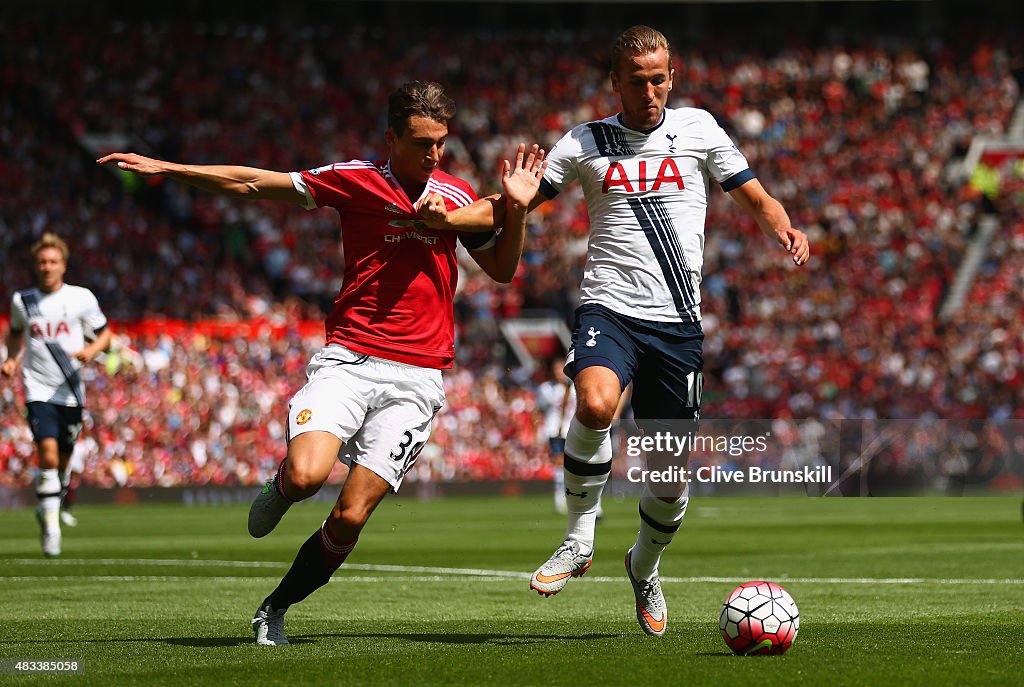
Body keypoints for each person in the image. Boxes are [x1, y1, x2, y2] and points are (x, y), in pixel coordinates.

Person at [98, 80, 546, 646]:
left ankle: (274, 608)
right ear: (391, 138)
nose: (433, 154)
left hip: (418, 378)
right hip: (351, 360)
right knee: (309, 476)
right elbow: (254, 182)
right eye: (420, 142)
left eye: (440, 142)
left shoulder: (457, 197)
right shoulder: (356, 180)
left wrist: (518, 210)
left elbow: (503, 269)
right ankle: (282, 487)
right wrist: (169, 168)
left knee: (351, 516)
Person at [423, 27, 809, 636]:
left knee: (668, 477)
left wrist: (785, 227)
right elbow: (506, 206)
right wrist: (446, 218)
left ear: (672, 76)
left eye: (659, 78)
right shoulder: (585, 142)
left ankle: (643, 565)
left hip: (678, 325)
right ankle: (579, 537)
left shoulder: (700, 130)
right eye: (637, 80)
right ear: (616, 83)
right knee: (596, 402)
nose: (650, 90)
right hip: (609, 308)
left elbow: (756, 197)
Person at [2, 233, 113, 557]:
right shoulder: (23, 301)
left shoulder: (81, 298)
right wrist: (11, 359)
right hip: (38, 389)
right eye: (42, 262)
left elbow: (105, 334)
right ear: (36, 266)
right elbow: (15, 334)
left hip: (71, 391)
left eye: (52, 261)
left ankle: (50, 503)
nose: (47, 267)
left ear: (63, 266)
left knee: (63, 460)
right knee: (47, 455)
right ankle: (52, 528)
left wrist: (91, 349)